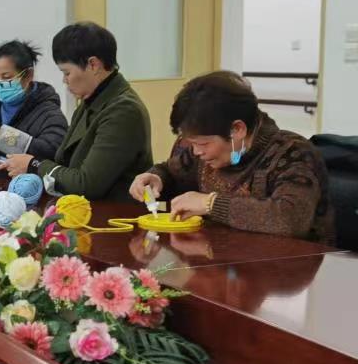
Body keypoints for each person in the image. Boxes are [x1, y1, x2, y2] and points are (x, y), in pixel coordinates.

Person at [130, 71, 336, 243]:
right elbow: (171, 172)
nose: (196, 152)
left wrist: (211, 204)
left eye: (202, 144)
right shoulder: (204, 153)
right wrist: (156, 178)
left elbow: (289, 220)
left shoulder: (293, 153)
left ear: (237, 129)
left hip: (288, 269)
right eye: (191, 143)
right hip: (222, 261)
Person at [0, 22, 153, 202]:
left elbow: (88, 184)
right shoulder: (90, 101)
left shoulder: (123, 111)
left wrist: (33, 164)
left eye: (67, 73)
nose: (64, 80)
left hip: (117, 215)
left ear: (93, 65)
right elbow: (63, 163)